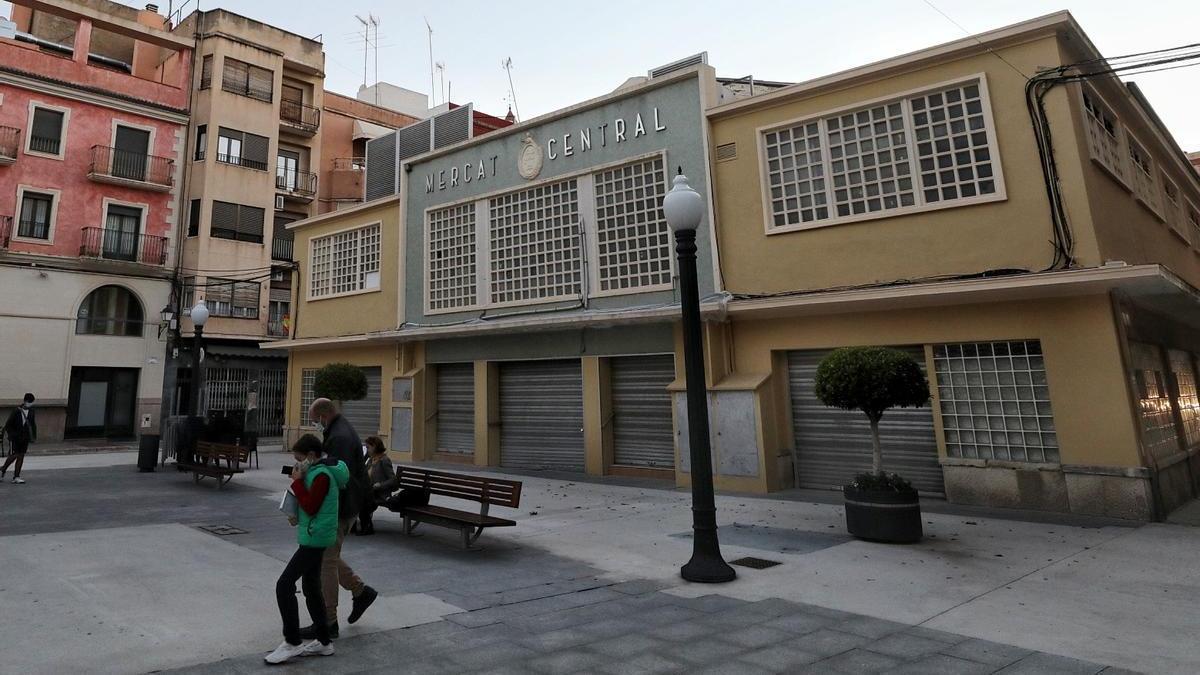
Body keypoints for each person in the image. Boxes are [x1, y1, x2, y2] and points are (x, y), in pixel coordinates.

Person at [266, 434, 348, 665]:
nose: (296, 463)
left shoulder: (321, 475)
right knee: (311, 586)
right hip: (314, 534)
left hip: (316, 537)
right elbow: (311, 506)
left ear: (311, 456)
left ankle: (292, 642)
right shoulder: (315, 472)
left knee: (284, 585)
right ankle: (324, 641)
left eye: (298, 459)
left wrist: (297, 482)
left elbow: (312, 506)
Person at [300, 398, 378, 640]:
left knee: (326, 561)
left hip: (342, 507)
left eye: (316, 421)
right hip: (346, 505)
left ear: (325, 415)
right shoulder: (338, 430)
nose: (316, 425)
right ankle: (360, 591)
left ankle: (328, 621)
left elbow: (336, 477)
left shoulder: (340, 437)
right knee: (328, 556)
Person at [356, 436, 394, 536]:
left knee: (362, 501)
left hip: (379, 493)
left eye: (368, 447)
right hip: (369, 491)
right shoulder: (370, 460)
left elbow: (393, 480)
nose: (367, 450)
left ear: (375, 447)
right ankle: (353, 526)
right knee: (353, 496)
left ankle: (367, 527)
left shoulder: (384, 461)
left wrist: (380, 485)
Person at [1, 393, 37, 484]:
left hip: (25, 438)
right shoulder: (16, 411)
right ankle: (3, 469)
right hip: (15, 438)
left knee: (21, 456)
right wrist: (11, 435)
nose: (30, 404)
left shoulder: (32, 411)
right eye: (29, 402)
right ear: (25, 401)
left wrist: (33, 436)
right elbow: (8, 424)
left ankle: (16, 476)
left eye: (31, 402)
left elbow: (32, 424)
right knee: (14, 455)